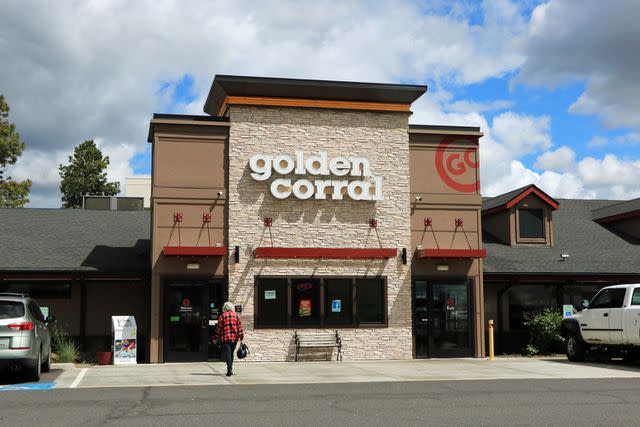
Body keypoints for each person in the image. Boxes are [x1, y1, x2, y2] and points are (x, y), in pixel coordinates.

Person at [216, 301, 244, 376]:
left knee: (227, 353)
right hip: (234, 338)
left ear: (224, 308)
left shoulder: (222, 316)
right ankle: (230, 368)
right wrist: (241, 337)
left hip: (225, 338)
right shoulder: (236, 316)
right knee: (231, 353)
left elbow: (219, 328)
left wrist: (217, 336)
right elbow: (239, 328)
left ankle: (229, 369)